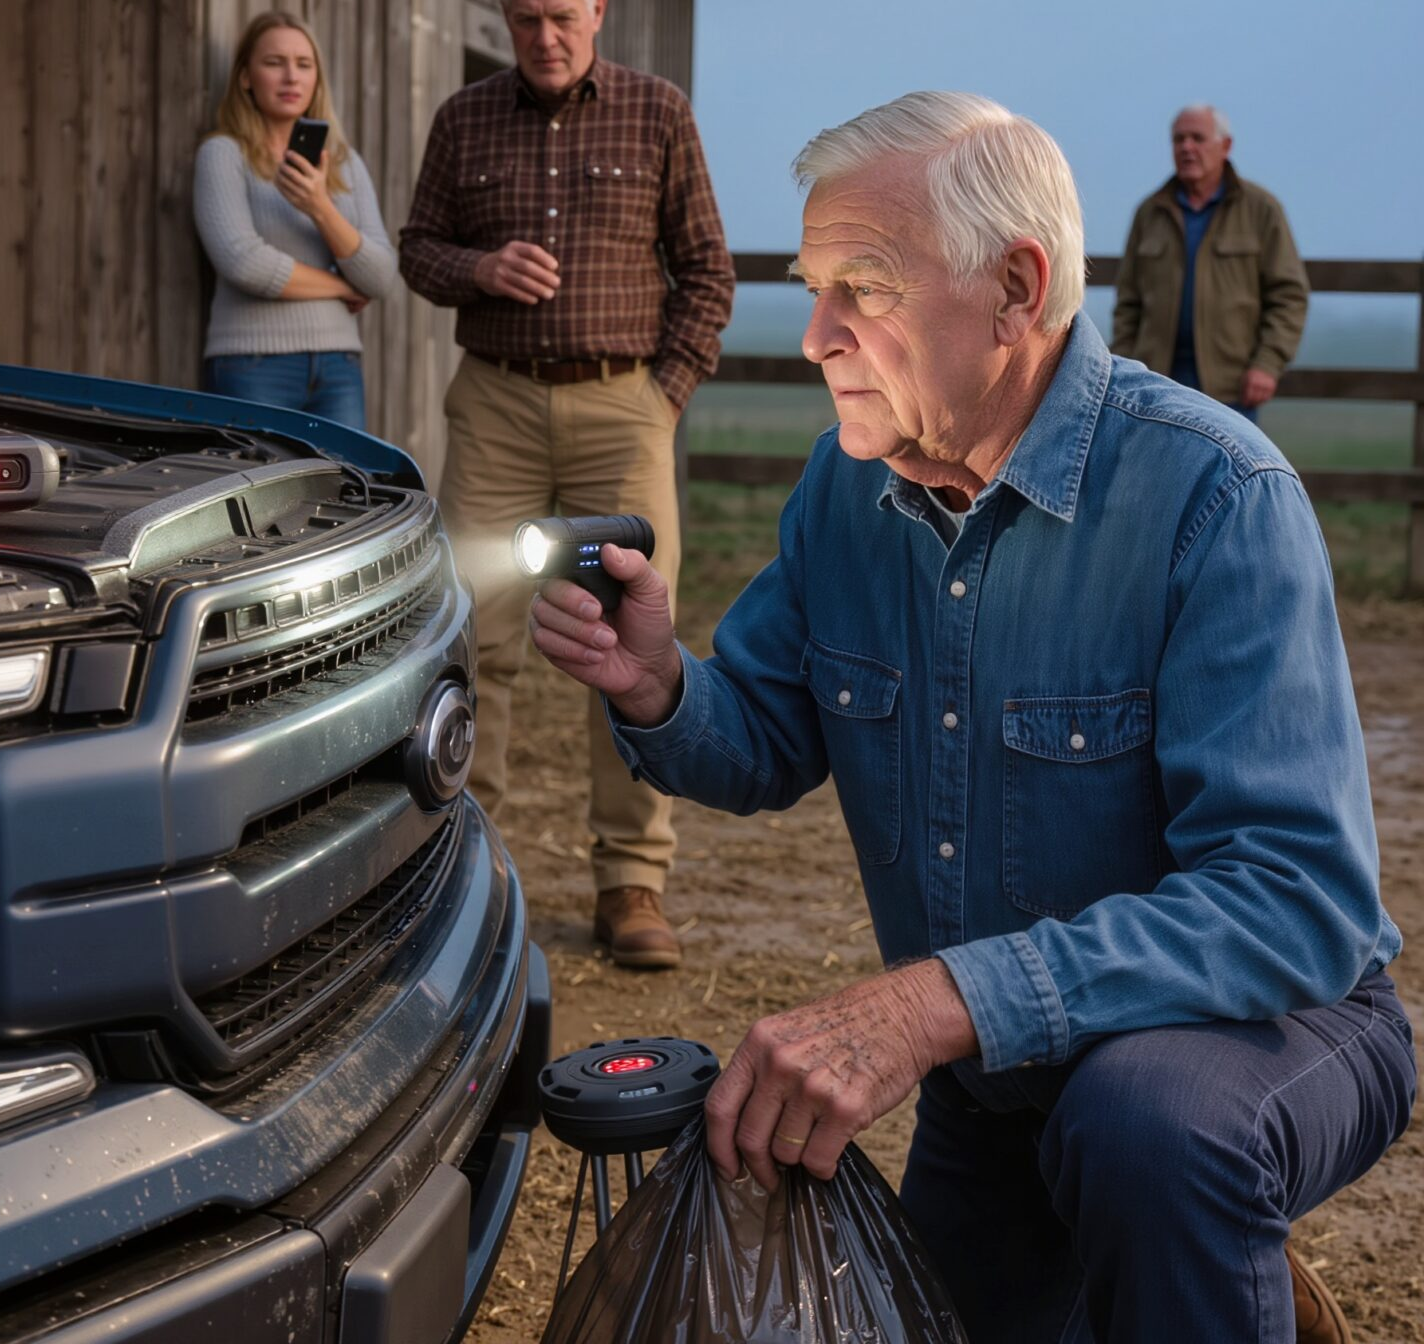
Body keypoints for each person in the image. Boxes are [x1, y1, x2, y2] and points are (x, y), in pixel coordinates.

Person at [528, 92, 1414, 1342]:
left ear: (1015, 287)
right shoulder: (847, 491)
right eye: (812, 285)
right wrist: (658, 683)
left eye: (866, 287)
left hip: (1264, 1036)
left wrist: (928, 1005)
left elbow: (1297, 901)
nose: (817, 336)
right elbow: (767, 737)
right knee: (923, 1313)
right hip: (1000, 1083)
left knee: (1148, 1129)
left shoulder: (1215, 495)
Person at [399, 0, 734, 970]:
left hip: (618, 405)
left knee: (629, 649)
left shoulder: (659, 111)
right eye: (525, 20)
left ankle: (631, 881)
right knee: (473, 635)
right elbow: (416, 251)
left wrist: (659, 401)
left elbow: (708, 273)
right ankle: (463, 864)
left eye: (560, 17)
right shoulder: (465, 119)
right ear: (508, 21)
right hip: (495, 405)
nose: (544, 37)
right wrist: (481, 266)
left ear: (598, 12)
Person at [195, 11, 397, 431]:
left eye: (304, 64)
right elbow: (243, 262)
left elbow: (381, 276)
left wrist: (320, 206)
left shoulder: (344, 163)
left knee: (347, 495)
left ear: (316, 78)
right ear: (246, 77)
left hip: (338, 367)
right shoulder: (223, 154)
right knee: (254, 496)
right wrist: (344, 285)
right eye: (274, 62)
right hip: (251, 365)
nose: (291, 76)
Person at [1111, 104, 1308, 420]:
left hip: (1230, 388)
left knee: (1229, 470)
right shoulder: (1150, 212)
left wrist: (1267, 364)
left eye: (1197, 138)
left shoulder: (1261, 210)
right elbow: (1128, 302)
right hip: (1156, 384)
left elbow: (1289, 297)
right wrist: (1124, 366)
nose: (1187, 147)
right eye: (1179, 139)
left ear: (1225, 146)